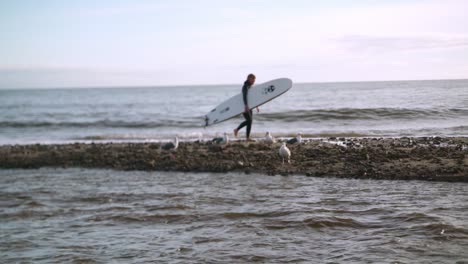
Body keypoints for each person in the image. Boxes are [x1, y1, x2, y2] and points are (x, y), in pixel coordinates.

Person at [234, 73, 259, 140]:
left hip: (249, 106)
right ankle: (236, 129)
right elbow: (244, 96)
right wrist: (245, 106)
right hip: (244, 106)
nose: (254, 81)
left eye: (254, 80)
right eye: (253, 79)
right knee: (249, 120)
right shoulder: (245, 86)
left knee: (250, 121)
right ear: (249, 79)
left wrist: (256, 105)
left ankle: (247, 137)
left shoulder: (250, 86)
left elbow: (252, 97)